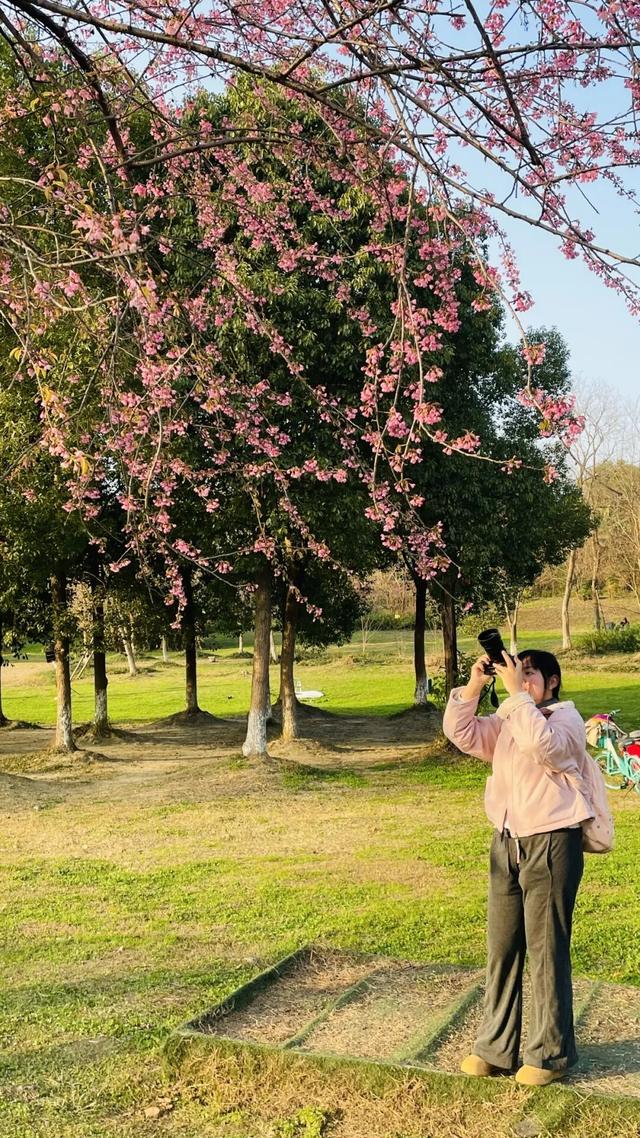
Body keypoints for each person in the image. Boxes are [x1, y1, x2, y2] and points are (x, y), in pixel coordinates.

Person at [442, 648, 591, 1087]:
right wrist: (475, 684)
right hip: (506, 842)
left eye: (530, 674)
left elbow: (544, 747)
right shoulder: (511, 718)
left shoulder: (565, 720)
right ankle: (495, 1046)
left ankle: (549, 1054)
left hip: (552, 841)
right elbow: (461, 732)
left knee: (546, 951)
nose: (520, 680)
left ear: (553, 681)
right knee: (502, 948)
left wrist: (515, 696)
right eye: (515, 672)